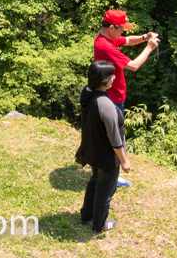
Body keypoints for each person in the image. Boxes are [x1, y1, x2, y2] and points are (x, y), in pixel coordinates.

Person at [92, 9, 159, 187]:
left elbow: (128, 40)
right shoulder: (107, 47)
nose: (124, 32)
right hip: (113, 98)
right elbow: (134, 66)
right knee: (115, 136)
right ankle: (113, 175)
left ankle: (110, 171)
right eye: (121, 28)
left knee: (112, 135)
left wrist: (144, 37)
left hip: (110, 95)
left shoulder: (104, 39)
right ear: (112, 28)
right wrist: (149, 47)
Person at [76, 59, 128, 232]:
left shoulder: (87, 92)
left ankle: (86, 216)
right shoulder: (105, 105)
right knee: (105, 191)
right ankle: (99, 224)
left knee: (95, 181)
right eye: (111, 75)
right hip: (106, 156)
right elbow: (114, 138)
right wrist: (124, 161)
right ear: (103, 80)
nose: (114, 78)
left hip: (92, 149)